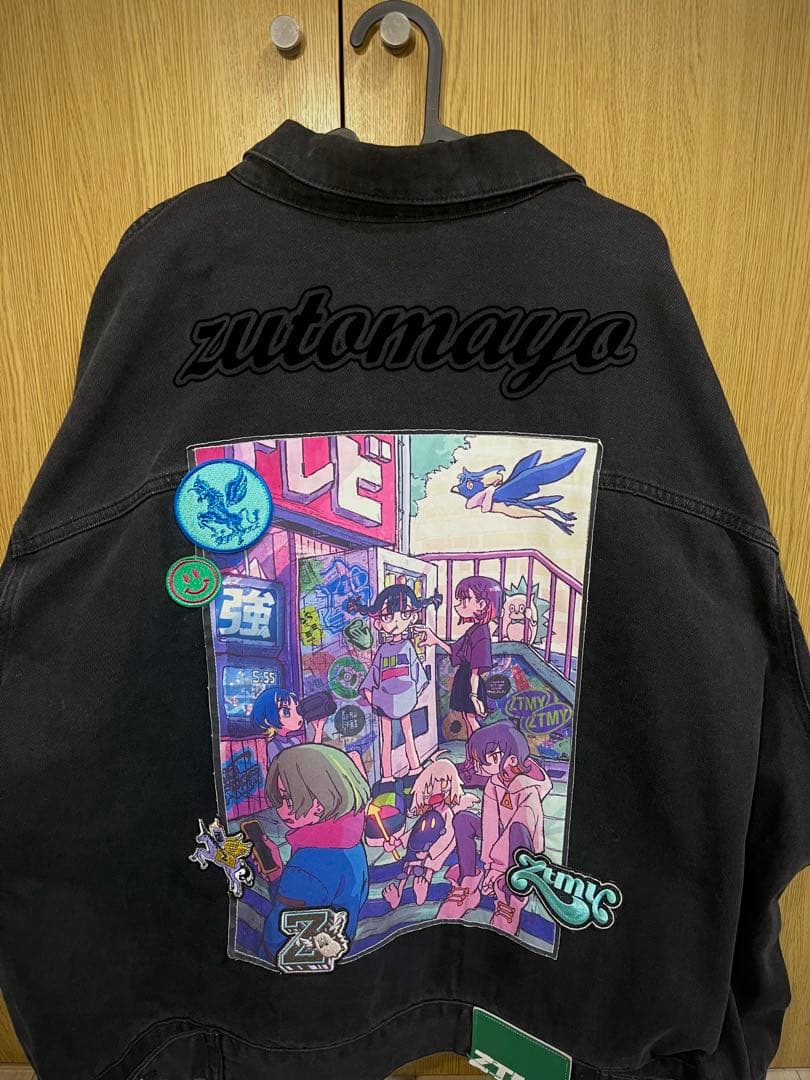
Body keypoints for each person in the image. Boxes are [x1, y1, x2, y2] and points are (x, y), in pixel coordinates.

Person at [437, 721, 552, 935]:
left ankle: (511, 897)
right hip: (500, 836)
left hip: (524, 848)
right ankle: (468, 882)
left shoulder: (529, 790)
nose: (479, 765)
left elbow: (523, 830)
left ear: (511, 760)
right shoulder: (494, 782)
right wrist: (490, 866)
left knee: (516, 830)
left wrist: (499, 869)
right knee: (462, 820)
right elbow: (489, 823)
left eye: (487, 757)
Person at [261, 743, 371, 963]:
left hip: (301, 958)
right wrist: (278, 876)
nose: (280, 810)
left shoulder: (305, 866)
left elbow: (279, 934)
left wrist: (279, 881)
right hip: (339, 944)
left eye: (288, 798)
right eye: (280, 799)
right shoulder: (351, 842)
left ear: (322, 800)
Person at [349, 584, 441, 782]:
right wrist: (372, 697)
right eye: (388, 617)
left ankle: (414, 768)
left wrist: (412, 693)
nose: (397, 621)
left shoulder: (407, 646)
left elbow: (417, 674)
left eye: (404, 614)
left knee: (407, 735)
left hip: (402, 698)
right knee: (388, 739)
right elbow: (374, 675)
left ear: (413, 617)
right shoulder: (382, 650)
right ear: (378, 623)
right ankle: (387, 775)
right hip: (385, 699)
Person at [419, 575, 503, 738]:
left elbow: (476, 670)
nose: (459, 605)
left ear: (481, 604)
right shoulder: (475, 629)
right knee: (468, 718)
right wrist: (435, 640)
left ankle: (481, 749)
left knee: (471, 720)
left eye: (465, 600)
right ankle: (474, 751)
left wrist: (474, 696)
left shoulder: (481, 633)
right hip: (464, 678)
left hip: (470, 681)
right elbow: (455, 651)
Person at [250, 686, 324, 763]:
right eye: (286, 712)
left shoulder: (295, 741)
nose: (297, 715)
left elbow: (309, 759)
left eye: (297, 709)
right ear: (267, 721)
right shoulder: (273, 746)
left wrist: (319, 729)